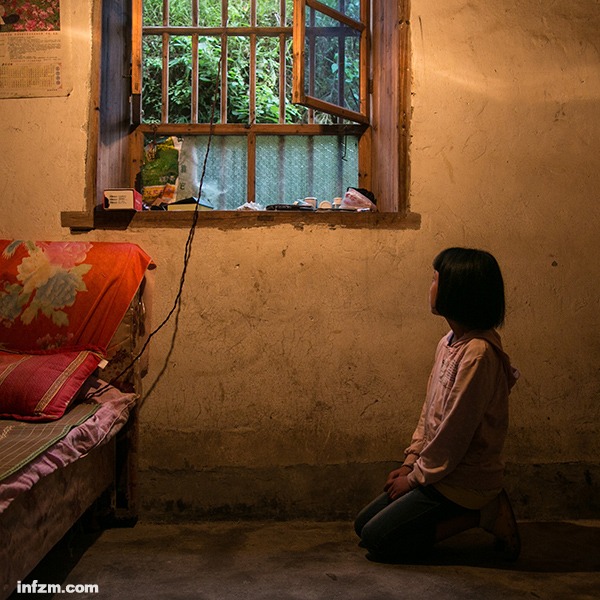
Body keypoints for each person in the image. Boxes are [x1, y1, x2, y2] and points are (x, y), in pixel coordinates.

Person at [354, 247, 521, 562]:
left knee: (379, 541)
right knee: (363, 526)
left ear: (458, 291)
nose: (430, 287)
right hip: (438, 472)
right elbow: (429, 412)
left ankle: (483, 513)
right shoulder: (449, 342)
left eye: (435, 280)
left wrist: (415, 478)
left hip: (462, 480)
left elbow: (454, 433)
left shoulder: (479, 354)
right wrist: (410, 460)